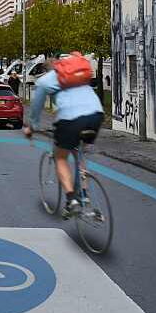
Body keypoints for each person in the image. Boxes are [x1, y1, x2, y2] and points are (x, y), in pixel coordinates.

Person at [23, 57, 105, 217]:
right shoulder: (78, 72)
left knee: (60, 158)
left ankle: (71, 200)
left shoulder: (45, 80)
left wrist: (31, 128)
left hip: (70, 119)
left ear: (45, 70)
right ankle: (84, 195)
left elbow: (36, 107)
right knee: (79, 153)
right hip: (96, 115)